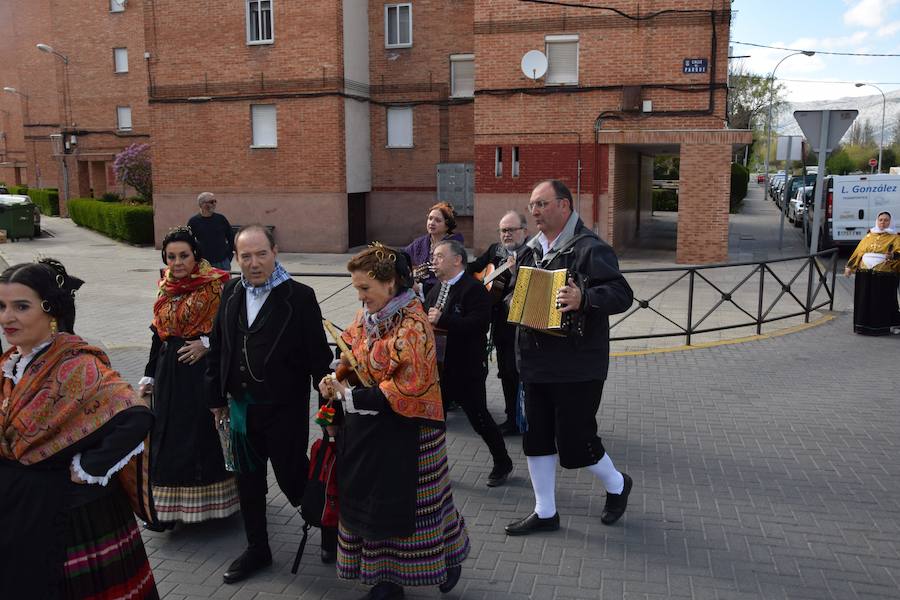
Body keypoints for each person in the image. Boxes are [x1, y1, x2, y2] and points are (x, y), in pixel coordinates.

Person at [0, 259, 158, 599]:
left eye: (21, 307)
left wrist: (89, 467)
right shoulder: (10, 363)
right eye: (2, 306)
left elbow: (135, 415)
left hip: (71, 516)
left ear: (50, 311)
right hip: (18, 509)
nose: (7, 318)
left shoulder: (77, 363)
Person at [318, 244, 469, 600]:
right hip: (373, 430)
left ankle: (448, 559)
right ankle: (387, 581)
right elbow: (352, 354)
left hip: (414, 432)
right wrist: (333, 382)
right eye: (357, 288)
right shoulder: (369, 316)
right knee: (377, 505)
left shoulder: (414, 324)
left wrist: (347, 395)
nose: (360, 296)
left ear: (391, 284)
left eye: (365, 288)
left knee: (423, 509)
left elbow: (405, 388)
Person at [504, 179, 634, 536]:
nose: (534, 211)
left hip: (578, 365)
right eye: (532, 205)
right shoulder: (530, 250)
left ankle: (618, 484)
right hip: (534, 361)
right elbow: (521, 297)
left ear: (564, 206)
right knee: (536, 436)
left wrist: (585, 299)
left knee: (576, 442)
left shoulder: (590, 248)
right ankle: (545, 512)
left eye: (542, 204)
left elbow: (622, 294)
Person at [205, 225, 333, 584]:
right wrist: (215, 398)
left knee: (293, 478)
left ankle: (327, 525)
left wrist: (328, 412)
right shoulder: (230, 291)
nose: (254, 262)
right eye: (245, 256)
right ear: (236, 257)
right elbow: (220, 348)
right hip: (242, 410)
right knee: (248, 482)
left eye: (261, 253)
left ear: (275, 251)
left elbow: (318, 358)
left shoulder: (300, 296)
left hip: (285, 411)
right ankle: (257, 548)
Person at [138, 227, 239, 530]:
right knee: (167, 435)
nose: (178, 262)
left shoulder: (217, 285)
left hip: (202, 374)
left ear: (196, 254)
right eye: (171, 257)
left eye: (184, 255)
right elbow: (158, 334)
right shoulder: (165, 288)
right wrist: (148, 375)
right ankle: (166, 512)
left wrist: (205, 344)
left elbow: (230, 329)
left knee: (200, 436)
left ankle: (211, 509)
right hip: (169, 374)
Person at [425, 239, 513, 487]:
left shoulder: (472, 288)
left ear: (457, 260)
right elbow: (425, 316)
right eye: (434, 256)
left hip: (466, 368)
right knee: (433, 421)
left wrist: (446, 319)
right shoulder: (437, 287)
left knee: (480, 419)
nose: (434, 260)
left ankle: (502, 461)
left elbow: (479, 325)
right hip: (439, 369)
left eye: (440, 256)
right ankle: (434, 467)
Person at [467, 210, 528, 435]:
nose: (507, 234)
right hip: (501, 323)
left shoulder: (534, 253)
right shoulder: (496, 250)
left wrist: (517, 273)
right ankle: (511, 418)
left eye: (511, 230)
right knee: (505, 371)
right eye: (503, 230)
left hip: (525, 325)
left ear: (524, 231)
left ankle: (528, 419)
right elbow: (474, 268)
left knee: (521, 372)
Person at [843, 211, 900, 335]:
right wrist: (850, 267)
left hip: (883, 274)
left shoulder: (895, 237)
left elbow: (898, 254)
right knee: (864, 299)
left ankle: (879, 328)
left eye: (886, 220)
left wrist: (893, 256)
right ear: (877, 221)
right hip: (865, 273)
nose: (883, 222)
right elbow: (858, 252)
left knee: (879, 301)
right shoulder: (869, 236)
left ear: (890, 222)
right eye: (880, 220)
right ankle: (862, 326)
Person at [403, 201, 464, 298]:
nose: (432, 223)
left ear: (447, 225)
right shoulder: (420, 242)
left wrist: (420, 288)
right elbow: (403, 256)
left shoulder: (453, 244)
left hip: (446, 294)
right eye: (430, 218)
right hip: (419, 294)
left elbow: (449, 277)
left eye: (438, 220)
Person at [187, 192, 235, 271]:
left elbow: (231, 237)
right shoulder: (193, 221)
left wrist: (229, 256)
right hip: (203, 263)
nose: (214, 204)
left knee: (226, 283)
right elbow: (189, 241)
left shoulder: (221, 219)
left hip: (222, 262)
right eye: (211, 202)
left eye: (215, 201)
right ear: (202, 204)